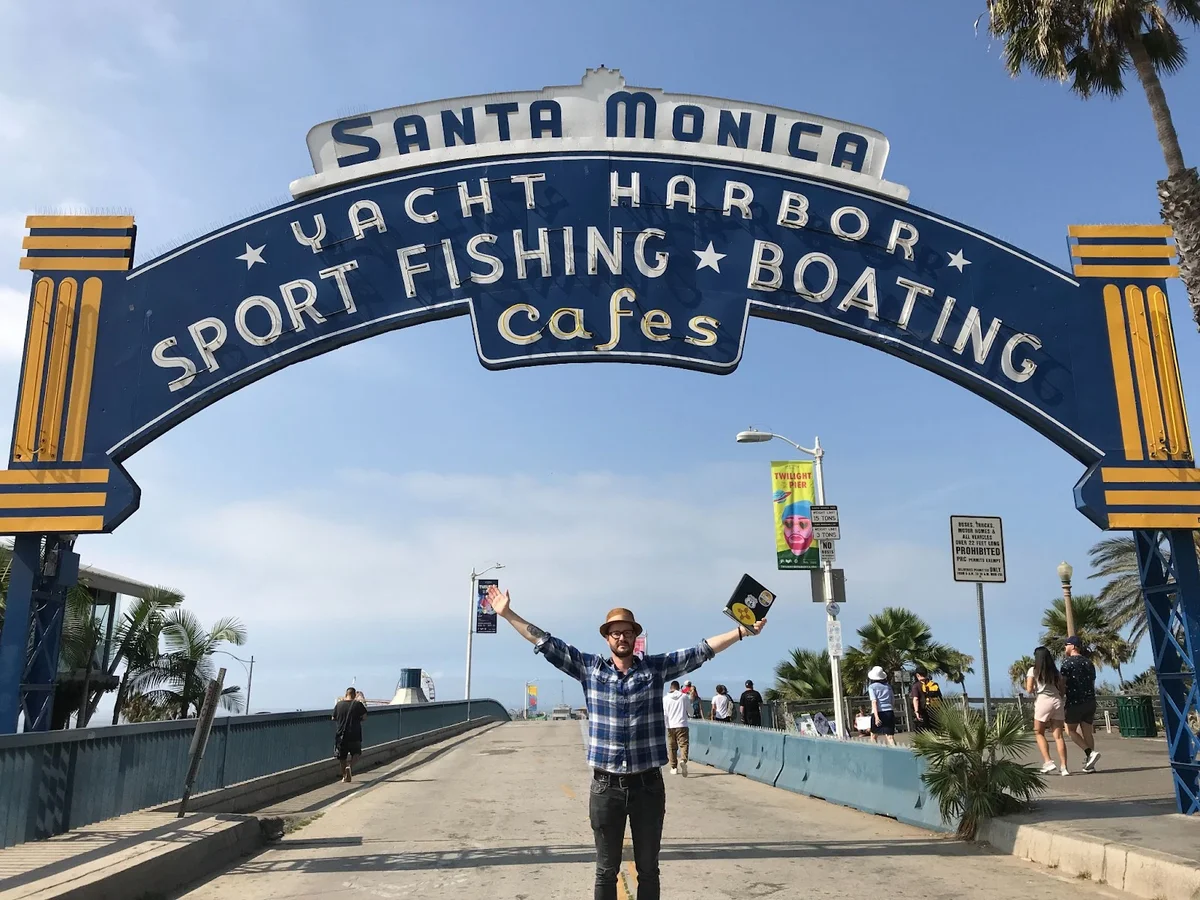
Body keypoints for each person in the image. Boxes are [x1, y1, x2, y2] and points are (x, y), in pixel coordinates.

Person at [486, 584, 765, 900]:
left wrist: (741, 631)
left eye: (627, 632)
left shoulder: (654, 669)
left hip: (648, 786)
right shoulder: (589, 669)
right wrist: (507, 613)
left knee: (649, 869)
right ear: (607, 638)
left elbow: (700, 651)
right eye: (615, 633)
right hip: (606, 788)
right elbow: (545, 642)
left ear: (635, 637)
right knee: (606, 871)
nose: (622, 637)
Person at [1026, 645, 1071, 775]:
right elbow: (1062, 689)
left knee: (1039, 732)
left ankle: (1048, 761)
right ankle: (1064, 767)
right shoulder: (1056, 672)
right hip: (1056, 701)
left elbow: (1029, 689)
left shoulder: (1033, 671)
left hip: (1043, 701)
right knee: (1058, 736)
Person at [1061, 636, 1101, 772]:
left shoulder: (1067, 663)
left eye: (1066, 645)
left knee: (1070, 729)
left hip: (1075, 701)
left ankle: (1090, 753)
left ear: (1072, 646)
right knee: (1087, 732)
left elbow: (1063, 682)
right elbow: (1093, 681)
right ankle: (1091, 765)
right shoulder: (1089, 663)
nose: (1065, 648)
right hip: (1090, 700)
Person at [332, 686, 367, 783]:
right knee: (356, 753)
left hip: (341, 735)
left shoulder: (339, 705)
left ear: (345, 694)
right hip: (354, 734)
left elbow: (333, 718)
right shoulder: (358, 704)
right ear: (355, 695)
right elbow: (364, 717)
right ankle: (349, 766)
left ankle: (344, 776)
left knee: (342, 757)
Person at [663, 681, 691, 776]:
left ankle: (674, 767)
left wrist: (666, 725)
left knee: (672, 747)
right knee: (683, 744)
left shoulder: (665, 699)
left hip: (670, 726)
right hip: (682, 724)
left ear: (670, 688)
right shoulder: (684, 697)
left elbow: (665, 714)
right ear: (679, 688)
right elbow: (690, 711)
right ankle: (683, 759)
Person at [867, 666, 896, 746]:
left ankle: (875, 753)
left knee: (873, 735)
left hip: (878, 712)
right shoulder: (888, 687)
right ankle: (897, 752)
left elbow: (874, 702)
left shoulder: (872, 687)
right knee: (890, 737)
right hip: (889, 711)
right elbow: (893, 700)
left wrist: (876, 717)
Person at [910, 667, 942, 732]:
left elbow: (915, 699)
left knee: (923, 731)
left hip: (923, 711)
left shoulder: (916, 686)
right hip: (935, 710)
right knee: (936, 730)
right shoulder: (934, 684)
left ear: (917, 675)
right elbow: (940, 697)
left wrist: (916, 712)